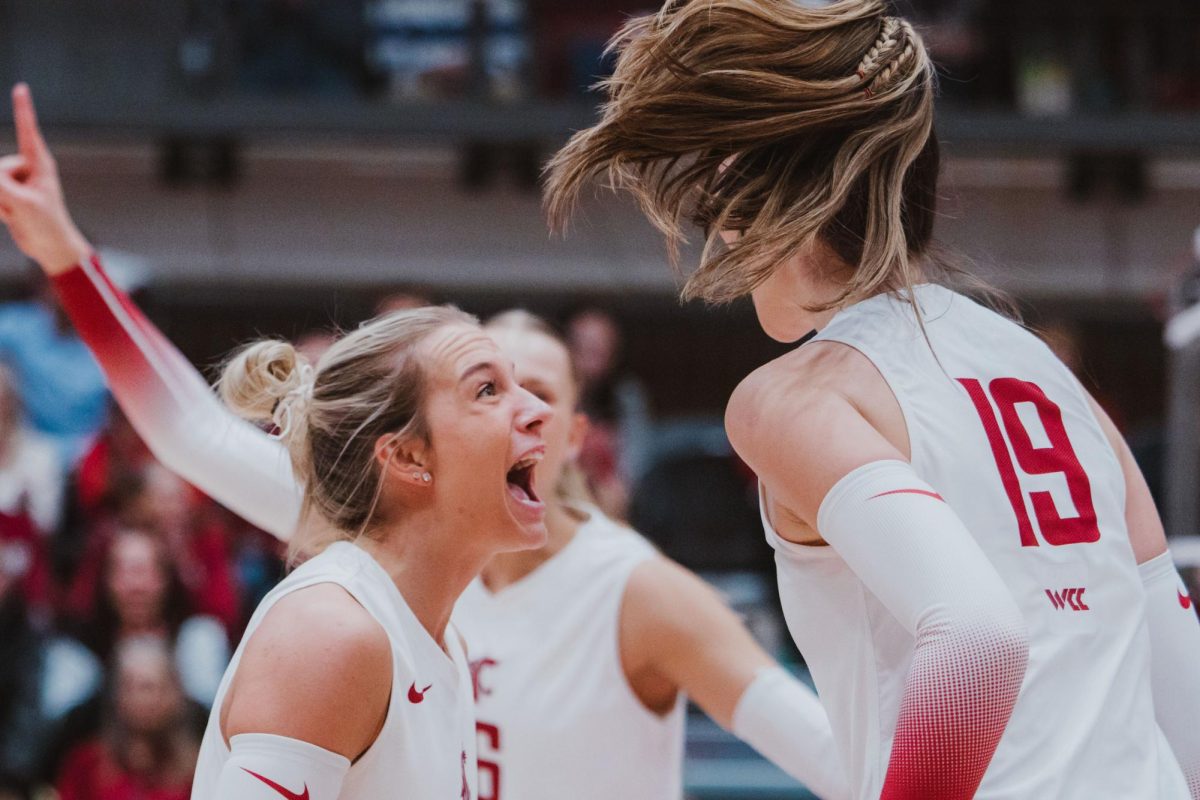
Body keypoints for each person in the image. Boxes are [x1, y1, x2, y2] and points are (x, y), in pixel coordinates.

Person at [542, 2, 1200, 799]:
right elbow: (1180, 675)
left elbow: (979, 639)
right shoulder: (1059, 385)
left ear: (758, 194)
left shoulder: (795, 396)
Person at [0, 83, 552, 799]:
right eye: (490, 387)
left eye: (538, 387)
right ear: (406, 456)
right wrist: (67, 258)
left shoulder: (440, 631)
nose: (537, 410)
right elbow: (190, 430)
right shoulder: (335, 629)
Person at [459, 311, 847, 800]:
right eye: (487, 391)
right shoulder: (424, 578)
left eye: (538, 392)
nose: (514, 412)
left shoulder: (638, 589)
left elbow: (834, 758)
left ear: (578, 437)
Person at [55, 636, 200, 800]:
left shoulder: (198, 770)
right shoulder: (86, 766)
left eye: (150, 687)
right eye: (130, 686)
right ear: (116, 694)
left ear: (175, 694)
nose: (142, 698)